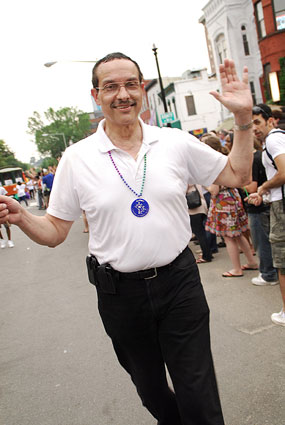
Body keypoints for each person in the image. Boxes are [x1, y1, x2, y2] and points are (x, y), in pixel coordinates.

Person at [0, 53, 254, 425]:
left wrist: (244, 120)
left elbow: (237, 173)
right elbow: (55, 232)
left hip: (179, 282)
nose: (123, 94)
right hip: (120, 293)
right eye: (111, 86)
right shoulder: (77, 158)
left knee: (197, 391)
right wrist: (23, 217)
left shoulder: (173, 142)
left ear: (143, 90)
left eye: (131, 84)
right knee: (150, 389)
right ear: (96, 95)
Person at [247, 103, 285, 327]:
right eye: (251, 124)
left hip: (282, 205)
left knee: (281, 260)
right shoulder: (276, 139)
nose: (254, 128)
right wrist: (265, 193)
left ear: (270, 121)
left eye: (257, 123)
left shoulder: (273, 139)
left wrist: (263, 188)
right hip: (277, 200)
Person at [204, 136, 257, 278]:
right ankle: (252, 262)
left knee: (229, 237)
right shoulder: (227, 158)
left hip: (223, 202)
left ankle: (236, 268)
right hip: (233, 197)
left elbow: (214, 190)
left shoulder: (214, 163)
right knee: (238, 234)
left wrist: (204, 185)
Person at [244, 138, 278, 286]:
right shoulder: (261, 155)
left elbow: (251, 188)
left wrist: (238, 184)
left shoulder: (253, 159)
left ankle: (268, 274)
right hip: (266, 202)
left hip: (258, 206)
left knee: (262, 241)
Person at [187, 184, 212, 263]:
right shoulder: (195, 178)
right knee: (202, 233)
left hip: (194, 209)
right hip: (202, 206)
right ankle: (208, 253)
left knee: (199, 234)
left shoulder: (187, 181)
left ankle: (206, 256)